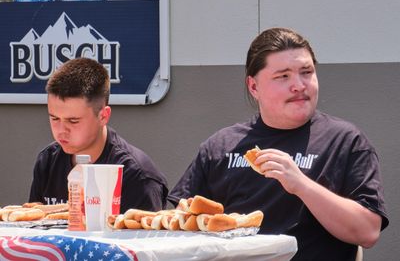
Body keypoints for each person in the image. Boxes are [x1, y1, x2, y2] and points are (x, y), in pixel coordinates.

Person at [169, 27, 389, 260]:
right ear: (254, 87)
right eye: (283, 76)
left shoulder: (345, 141)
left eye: (306, 72)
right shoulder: (221, 147)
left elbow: (368, 232)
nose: (299, 85)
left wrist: (301, 185)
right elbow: (175, 216)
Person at [29, 57, 168, 213]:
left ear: (103, 116)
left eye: (73, 121)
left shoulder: (137, 175)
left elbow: (146, 235)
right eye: (54, 118)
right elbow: (33, 229)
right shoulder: (47, 161)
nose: (61, 130)